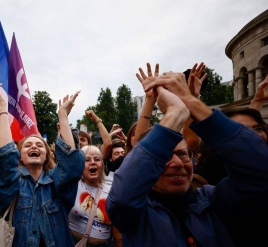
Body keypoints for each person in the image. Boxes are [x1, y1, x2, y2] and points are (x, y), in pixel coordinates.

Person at [107, 71, 268, 247]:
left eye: (183, 154)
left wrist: (188, 100)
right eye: (165, 155)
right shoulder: (136, 213)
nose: (177, 164)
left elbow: (259, 169)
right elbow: (122, 199)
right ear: (147, 164)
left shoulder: (215, 199)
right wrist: (175, 113)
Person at [0, 82, 85, 247]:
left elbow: (71, 163)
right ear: (19, 157)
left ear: (47, 155)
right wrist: (2, 108)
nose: (34, 146)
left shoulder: (56, 183)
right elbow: (5, 158)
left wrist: (62, 115)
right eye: (28, 145)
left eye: (40, 145)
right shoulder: (14, 185)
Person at [69, 145, 122, 247]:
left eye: (97, 159)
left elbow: (116, 227)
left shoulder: (112, 189)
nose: (92, 162)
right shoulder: (73, 185)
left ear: (102, 164)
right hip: (73, 242)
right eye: (87, 160)